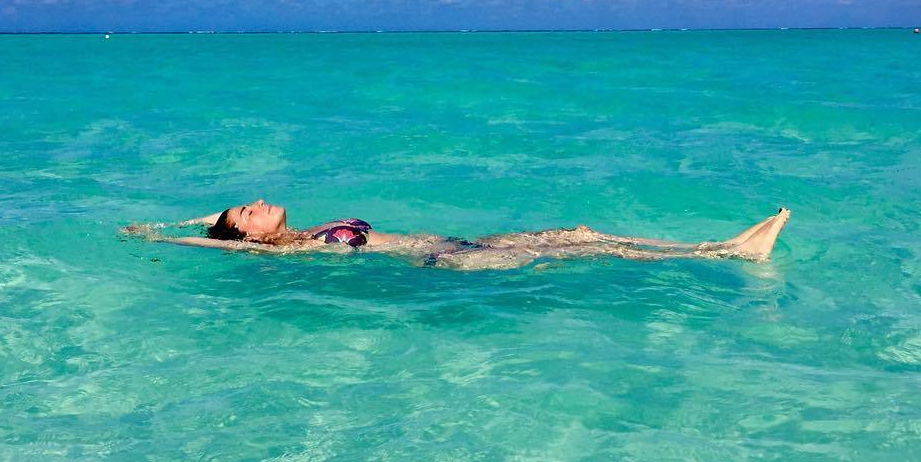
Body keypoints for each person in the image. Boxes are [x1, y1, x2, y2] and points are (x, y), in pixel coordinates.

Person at [122, 199, 790, 270]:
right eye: (248, 210)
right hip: (445, 262)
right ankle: (728, 252)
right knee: (588, 248)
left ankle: (716, 246)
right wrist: (156, 236)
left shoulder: (309, 227)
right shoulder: (284, 250)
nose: (259, 202)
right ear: (246, 236)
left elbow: (208, 221)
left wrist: (197, 214)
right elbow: (207, 239)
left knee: (580, 229)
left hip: (460, 241)